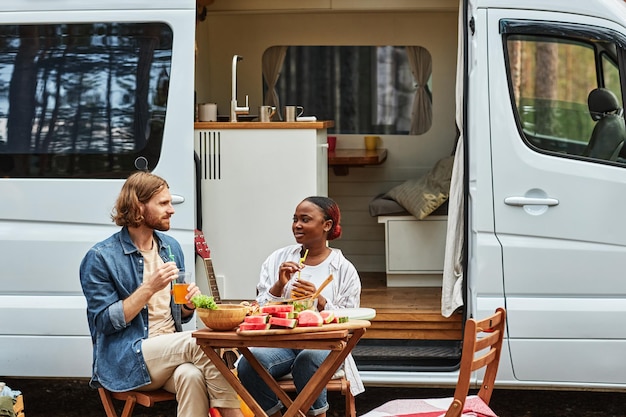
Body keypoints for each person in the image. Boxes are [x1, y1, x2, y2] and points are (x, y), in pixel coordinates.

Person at [79, 171, 243, 417]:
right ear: (138, 207)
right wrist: (148, 288)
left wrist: (187, 305)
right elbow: (104, 322)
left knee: (191, 376)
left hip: (169, 354)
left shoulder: (170, 247)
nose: (172, 210)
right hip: (128, 358)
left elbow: (180, 315)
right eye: (163, 203)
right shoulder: (101, 257)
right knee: (202, 341)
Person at [237, 196, 363, 417]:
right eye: (295, 219)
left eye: (305, 219)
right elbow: (260, 309)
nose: (297, 225)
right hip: (282, 342)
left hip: (326, 345)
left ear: (326, 225)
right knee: (250, 361)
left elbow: (350, 320)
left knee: (308, 359)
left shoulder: (343, 269)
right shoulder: (278, 259)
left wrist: (322, 302)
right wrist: (279, 286)